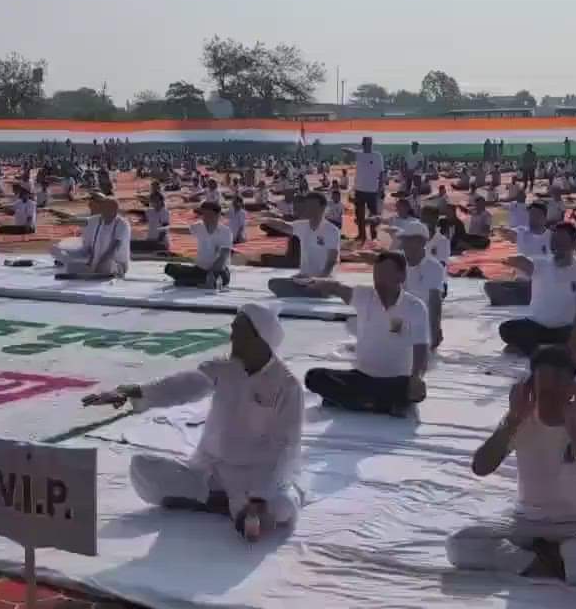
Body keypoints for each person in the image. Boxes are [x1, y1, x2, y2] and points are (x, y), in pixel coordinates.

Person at [82, 304, 304, 542]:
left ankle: (247, 507)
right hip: (209, 472)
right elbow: (182, 386)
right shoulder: (222, 368)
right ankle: (228, 506)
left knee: (282, 504)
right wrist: (130, 391)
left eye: (238, 332)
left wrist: (260, 497)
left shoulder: (287, 386)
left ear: (260, 338)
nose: (231, 338)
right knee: (142, 469)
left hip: (255, 476)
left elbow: (286, 448)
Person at [447, 345, 576, 587]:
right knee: (459, 544)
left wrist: (574, 430)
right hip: (526, 521)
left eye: (559, 389)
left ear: (572, 390)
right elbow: (481, 467)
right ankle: (557, 564)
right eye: (545, 389)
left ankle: (536, 561)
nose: (551, 397)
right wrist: (512, 421)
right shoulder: (519, 419)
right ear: (531, 387)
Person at [297, 252, 430, 417]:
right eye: (376, 275)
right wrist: (314, 283)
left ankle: (354, 401)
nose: (379, 281)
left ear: (401, 276)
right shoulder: (364, 295)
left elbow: (421, 348)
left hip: (394, 381)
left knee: (416, 392)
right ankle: (375, 404)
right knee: (314, 377)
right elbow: (337, 288)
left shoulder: (415, 307)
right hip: (362, 377)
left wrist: (416, 377)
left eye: (385, 275)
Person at [497, 222, 576, 356]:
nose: (556, 245)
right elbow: (524, 262)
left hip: (565, 329)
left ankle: (543, 349)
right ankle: (544, 351)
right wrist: (512, 260)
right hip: (538, 326)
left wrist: (575, 340)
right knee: (506, 329)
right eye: (554, 240)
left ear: (574, 243)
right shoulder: (540, 264)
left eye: (562, 241)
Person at [267, 193, 341, 298]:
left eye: (312, 206)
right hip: (303, 278)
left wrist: (321, 279)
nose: (308, 209)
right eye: (307, 206)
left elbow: (331, 261)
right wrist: (266, 220)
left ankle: (313, 291)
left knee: (319, 288)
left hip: (323, 280)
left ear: (322, 207)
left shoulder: (332, 231)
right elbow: (284, 226)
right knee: (273, 284)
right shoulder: (302, 225)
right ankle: (305, 291)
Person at [485, 203, 551, 306]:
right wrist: (498, 228)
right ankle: (521, 298)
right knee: (490, 286)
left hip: (541, 282)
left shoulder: (552, 237)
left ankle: (523, 298)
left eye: (536, 214)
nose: (533, 217)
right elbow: (505, 233)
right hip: (521, 282)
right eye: (531, 214)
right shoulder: (522, 232)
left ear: (544, 217)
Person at [397, 222, 445, 349]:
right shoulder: (397, 263)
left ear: (421, 242)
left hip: (421, 322)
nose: (404, 245)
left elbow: (435, 302)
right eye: (404, 240)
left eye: (408, 240)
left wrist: (435, 330)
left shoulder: (434, 267)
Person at [165, 201, 232, 288]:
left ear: (218, 215)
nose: (205, 218)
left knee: (219, 278)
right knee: (170, 268)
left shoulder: (225, 232)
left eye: (209, 214)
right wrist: (168, 229)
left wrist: (212, 273)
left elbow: (223, 257)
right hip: (199, 269)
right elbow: (186, 230)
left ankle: (196, 281)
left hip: (218, 271)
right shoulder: (199, 226)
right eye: (203, 214)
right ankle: (196, 281)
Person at [349, 136, 385, 243]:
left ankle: (374, 237)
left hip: (372, 190)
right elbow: (349, 151)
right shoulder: (359, 154)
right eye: (366, 143)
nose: (368, 145)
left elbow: (382, 173)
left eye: (370, 143)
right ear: (363, 144)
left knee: (373, 215)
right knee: (359, 214)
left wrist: (381, 187)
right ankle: (361, 235)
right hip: (359, 190)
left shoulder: (377, 156)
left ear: (372, 144)